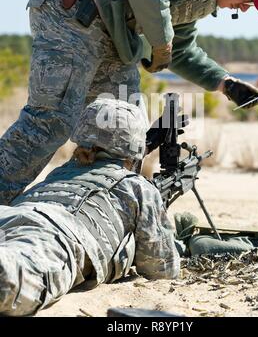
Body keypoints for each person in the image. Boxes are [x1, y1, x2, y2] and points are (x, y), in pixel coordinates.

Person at [0, 0, 258, 203]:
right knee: (51, 121)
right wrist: (161, 42)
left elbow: (179, 50)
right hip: (73, 15)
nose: (246, 8)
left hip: (111, 32)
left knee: (123, 134)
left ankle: (85, 212)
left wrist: (226, 83)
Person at [0, 99, 180, 317]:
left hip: (11, 214)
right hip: (57, 235)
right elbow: (161, 268)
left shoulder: (61, 171)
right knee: (7, 280)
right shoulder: (136, 186)